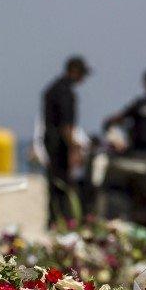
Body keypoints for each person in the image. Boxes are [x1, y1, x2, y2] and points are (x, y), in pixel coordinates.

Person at [42, 55, 90, 228]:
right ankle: (62, 221)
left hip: (51, 142)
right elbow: (66, 126)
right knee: (63, 185)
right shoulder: (65, 92)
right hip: (59, 145)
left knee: (54, 185)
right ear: (75, 72)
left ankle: (55, 220)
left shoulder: (52, 88)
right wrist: (74, 149)